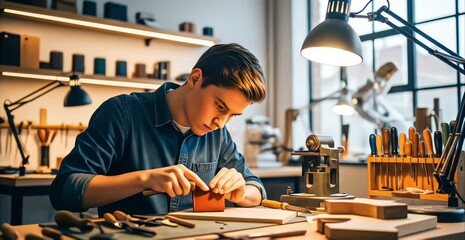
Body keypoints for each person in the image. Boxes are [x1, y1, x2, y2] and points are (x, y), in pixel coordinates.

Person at [49, 43, 268, 216]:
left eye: (232, 115)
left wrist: (240, 192)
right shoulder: (121, 113)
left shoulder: (218, 134)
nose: (221, 123)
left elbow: (256, 189)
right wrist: (143, 179)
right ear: (195, 78)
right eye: (220, 107)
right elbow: (64, 191)